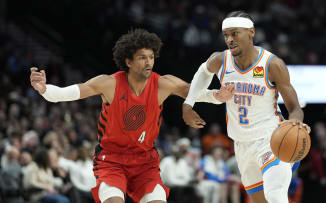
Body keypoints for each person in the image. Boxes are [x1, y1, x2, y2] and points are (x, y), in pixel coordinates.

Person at [30, 28, 233, 203]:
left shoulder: (163, 84)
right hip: (111, 160)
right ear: (128, 61)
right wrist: (44, 89)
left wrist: (218, 96)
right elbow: (67, 94)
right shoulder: (109, 83)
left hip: (145, 161)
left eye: (151, 57)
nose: (149, 62)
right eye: (142, 57)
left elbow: (195, 91)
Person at [182, 11, 311, 203]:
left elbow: (294, 107)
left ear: (251, 32)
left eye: (235, 33)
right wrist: (188, 104)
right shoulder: (221, 60)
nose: (229, 39)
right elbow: (203, 73)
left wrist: (294, 122)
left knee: (275, 195)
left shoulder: (272, 64)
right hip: (241, 144)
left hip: (270, 139)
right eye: (226, 35)